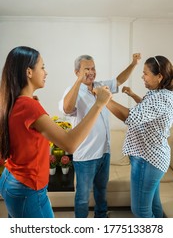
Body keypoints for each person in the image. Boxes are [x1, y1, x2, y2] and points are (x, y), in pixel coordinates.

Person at [0, 46, 112, 218]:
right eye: (42, 67)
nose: (46, 72)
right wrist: (99, 105)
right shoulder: (29, 106)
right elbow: (70, 144)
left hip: (13, 179)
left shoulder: (15, 101)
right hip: (27, 189)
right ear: (29, 72)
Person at [59, 53, 141, 218]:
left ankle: (101, 218)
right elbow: (67, 108)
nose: (91, 72)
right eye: (86, 69)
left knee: (101, 191)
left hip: (105, 152)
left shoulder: (101, 86)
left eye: (93, 68)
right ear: (77, 72)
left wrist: (133, 64)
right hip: (86, 155)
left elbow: (118, 80)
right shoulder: (73, 90)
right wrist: (78, 81)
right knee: (82, 196)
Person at [107, 55, 173, 218]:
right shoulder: (160, 93)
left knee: (140, 210)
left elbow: (132, 117)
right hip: (154, 159)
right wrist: (133, 95)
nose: (142, 76)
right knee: (154, 205)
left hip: (147, 160)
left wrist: (105, 100)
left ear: (159, 76)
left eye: (145, 73)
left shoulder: (161, 98)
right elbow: (147, 110)